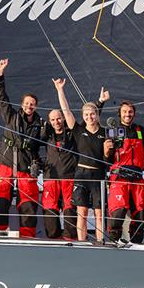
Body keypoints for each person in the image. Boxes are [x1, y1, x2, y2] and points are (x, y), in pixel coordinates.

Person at [42, 87, 108, 240]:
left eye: (92, 114)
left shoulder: (104, 133)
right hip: (81, 174)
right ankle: (81, 243)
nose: (89, 117)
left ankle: (100, 242)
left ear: (97, 115)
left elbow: (108, 159)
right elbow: (66, 111)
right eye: (86, 115)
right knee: (81, 212)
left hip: (98, 175)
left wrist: (107, 151)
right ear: (83, 117)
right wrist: (60, 90)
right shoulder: (78, 130)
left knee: (99, 213)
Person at [0, 58, 45, 237]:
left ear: (35, 106)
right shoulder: (11, 116)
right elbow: (2, 98)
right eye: (26, 103)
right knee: (0, 200)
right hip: (6, 163)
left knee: (29, 204)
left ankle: (27, 235)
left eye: (32, 104)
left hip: (26, 166)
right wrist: (0, 74)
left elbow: (45, 145)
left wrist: (40, 164)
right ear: (22, 104)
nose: (29, 106)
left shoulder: (41, 124)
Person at [107, 101, 144, 244]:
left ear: (134, 113)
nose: (127, 114)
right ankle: (113, 242)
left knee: (140, 217)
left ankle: (136, 244)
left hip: (137, 178)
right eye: (124, 112)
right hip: (119, 177)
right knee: (118, 212)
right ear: (119, 113)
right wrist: (108, 148)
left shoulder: (140, 130)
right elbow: (106, 156)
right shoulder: (113, 131)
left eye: (130, 112)